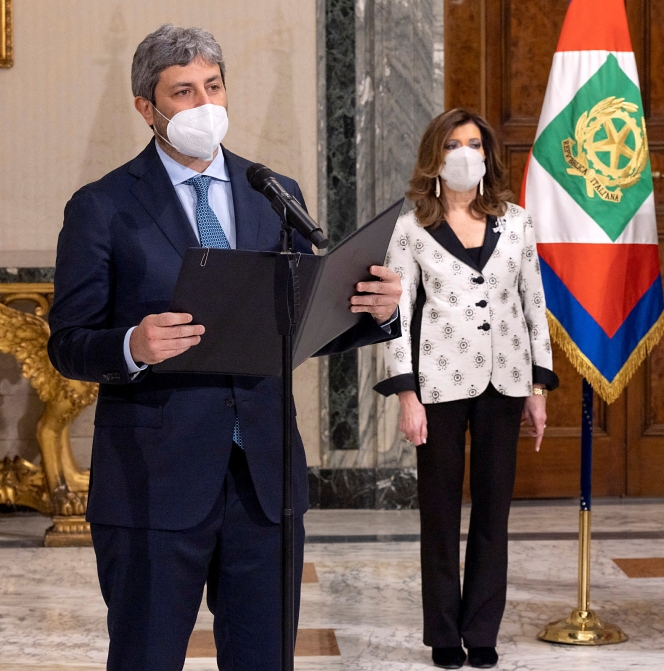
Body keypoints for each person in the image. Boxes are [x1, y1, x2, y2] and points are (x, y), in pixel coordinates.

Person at [46, 25, 401, 671]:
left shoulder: (274, 192)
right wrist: (132, 343)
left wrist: (372, 313)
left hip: (264, 481)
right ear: (146, 109)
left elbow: (296, 324)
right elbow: (68, 343)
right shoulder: (102, 207)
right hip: (155, 483)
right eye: (182, 91)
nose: (204, 103)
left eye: (213, 85)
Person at [374, 108, 558, 669]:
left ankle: (482, 631)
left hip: (505, 382)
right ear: (435, 155)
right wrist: (407, 395)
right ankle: (443, 635)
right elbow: (395, 314)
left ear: (487, 154)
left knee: (493, 512)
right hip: (438, 385)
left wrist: (538, 388)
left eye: (473, 143)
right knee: (439, 512)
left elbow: (533, 305)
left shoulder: (517, 222)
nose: (464, 152)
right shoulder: (411, 228)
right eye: (453, 143)